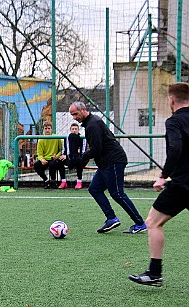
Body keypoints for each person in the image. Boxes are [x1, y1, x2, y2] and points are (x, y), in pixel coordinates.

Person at [129, 82, 189, 287]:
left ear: (171, 100)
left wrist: (163, 176)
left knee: (153, 222)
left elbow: (175, 148)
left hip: (183, 184)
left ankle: (154, 274)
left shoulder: (174, 121)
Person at [69, 101, 146, 233]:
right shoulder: (91, 123)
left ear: (83, 110)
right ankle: (111, 218)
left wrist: (82, 157)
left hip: (114, 161)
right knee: (94, 189)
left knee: (117, 194)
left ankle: (140, 223)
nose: (74, 117)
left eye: (75, 114)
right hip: (106, 163)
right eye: (72, 115)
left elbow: (97, 149)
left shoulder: (92, 124)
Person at [33, 121, 63, 189]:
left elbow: (61, 150)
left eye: (49, 128)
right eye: (45, 128)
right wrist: (42, 159)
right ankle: (46, 180)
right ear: (43, 129)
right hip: (45, 159)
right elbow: (39, 153)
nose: (47, 130)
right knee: (36, 165)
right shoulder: (41, 140)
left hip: (54, 159)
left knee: (53, 164)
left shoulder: (57, 138)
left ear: (51, 129)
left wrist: (57, 156)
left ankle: (53, 181)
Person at [58, 123, 87, 189]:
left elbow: (83, 152)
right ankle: (63, 181)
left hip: (79, 158)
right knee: (59, 161)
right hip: (69, 158)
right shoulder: (67, 138)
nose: (74, 130)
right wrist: (64, 155)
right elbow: (64, 150)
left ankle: (79, 181)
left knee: (79, 160)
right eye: (73, 129)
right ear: (70, 130)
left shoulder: (82, 138)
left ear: (78, 130)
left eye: (76, 129)